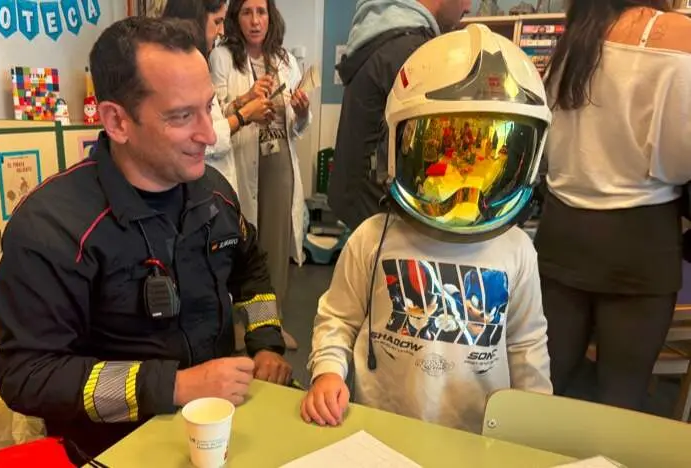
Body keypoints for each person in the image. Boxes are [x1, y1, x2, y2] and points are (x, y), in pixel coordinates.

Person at [0, 16, 292, 463]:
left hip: (221, 430)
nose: (209, 135)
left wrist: (265, 343)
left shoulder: (214, 194)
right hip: (112, 448)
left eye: (208, 107)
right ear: (116, 121)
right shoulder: (51, 227)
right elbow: (27, 375)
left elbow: (251, 269)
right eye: (181, 116)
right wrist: (172, 386)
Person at [301, 24, 552, 432]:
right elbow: (337, 317)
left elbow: (526, 345)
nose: (465, 195)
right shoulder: (373, 238)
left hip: (477, 437)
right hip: (380, 426)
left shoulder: (516, 250)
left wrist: (535, 419)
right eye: (446, 158)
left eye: (484, 166)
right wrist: (328, 371)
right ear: (397, 149)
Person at [534, 1, 691, 411]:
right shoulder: (675, 33)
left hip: (561, 231)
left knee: (544, 385)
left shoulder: (576, 36)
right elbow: (680, 161)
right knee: (621, 397)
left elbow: (548, 148)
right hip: (639, 239)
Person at [210, 0, 311, 350]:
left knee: (276, 244)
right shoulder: (222, 57)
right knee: (243, 243)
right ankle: (242, 325)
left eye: (261, 11)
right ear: (236, 19)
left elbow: (296, 129)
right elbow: (214, 116)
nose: (255, 20)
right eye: (247, 12)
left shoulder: (284, 60)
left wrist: (302, 111)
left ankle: (273, 322)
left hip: (278, 158)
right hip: (241, 160)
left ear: (271, 16)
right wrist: (246, 99)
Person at [328, 0, 471, 230]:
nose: (469, 7)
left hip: (360, 208)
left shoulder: (378, 38)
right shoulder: (415, 54)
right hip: (383, 221)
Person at [162, 0, 273, 192]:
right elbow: (208, 136)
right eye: (217, 22)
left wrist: (242, 100)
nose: (221, 31)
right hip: (202, 187)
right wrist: (244, 115)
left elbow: (212, 115)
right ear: (195, 20)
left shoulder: (197, 63)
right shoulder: (179, 74)